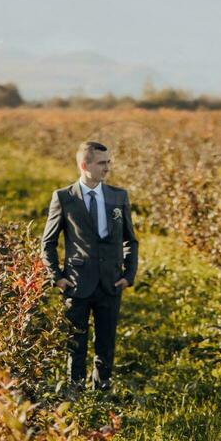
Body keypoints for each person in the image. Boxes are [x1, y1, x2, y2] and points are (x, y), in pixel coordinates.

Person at [40, 139, 139, 391]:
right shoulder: (63, 197)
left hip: (110, 282)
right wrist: (58, 277)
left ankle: (103, 389)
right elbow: (48, 243)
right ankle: (75, 391)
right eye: (102, 163)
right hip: (76, 283)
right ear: (85, 165)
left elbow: (131, 239)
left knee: (106, 342)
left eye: (109, 162)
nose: (107, 168)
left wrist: (128, 274)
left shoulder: (119, 196)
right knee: (75, 342)